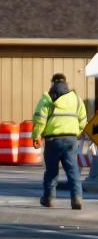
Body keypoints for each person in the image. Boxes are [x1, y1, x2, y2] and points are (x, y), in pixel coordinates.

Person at [32, 73, 88, 210]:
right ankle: (77, 198)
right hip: (71, 139)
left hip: (53, 140)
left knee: (51, 171)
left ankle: (49, 198)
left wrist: (36, 136)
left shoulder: (48, 99)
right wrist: (77, 133)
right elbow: (83, 119)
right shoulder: (76, 99)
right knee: (72, 169)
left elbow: (40, 119)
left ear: (53, 83)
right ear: (65, 83)